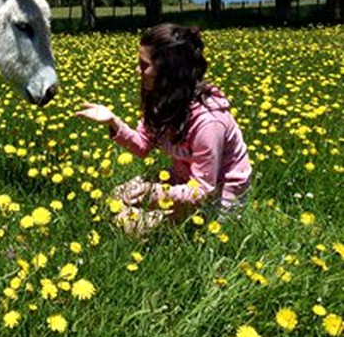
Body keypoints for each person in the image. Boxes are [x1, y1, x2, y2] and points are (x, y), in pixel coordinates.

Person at [75, 24, 251, 234]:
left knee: (133, 225)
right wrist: (113, 122)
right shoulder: (163, 101)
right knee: (116, 196)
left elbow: (203, 191)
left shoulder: (209, 122)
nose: (137, 71)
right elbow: (142, 146)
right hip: (183, 178)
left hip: (219, 196)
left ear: (168, 71)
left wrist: (155, 193)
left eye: (144, 65)